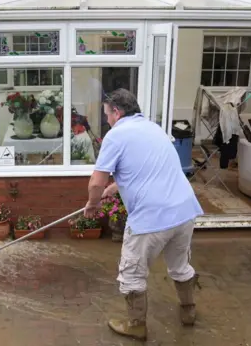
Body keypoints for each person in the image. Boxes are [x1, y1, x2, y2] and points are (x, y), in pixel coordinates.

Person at [83, 89, 204, 341]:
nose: (107, 120)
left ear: (117, 112)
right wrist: (116, 187)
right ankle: (188, 312)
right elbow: (151, 167)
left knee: (131, 274)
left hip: (151, 218)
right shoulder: (154, 128)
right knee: (180, 265)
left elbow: (95, 182)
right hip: (184, 211)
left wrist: (93, 204)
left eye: (107, 114)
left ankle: (136, 325)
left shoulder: (115, 136)